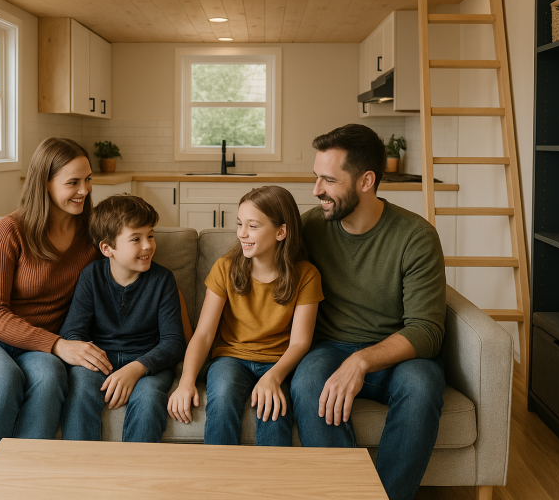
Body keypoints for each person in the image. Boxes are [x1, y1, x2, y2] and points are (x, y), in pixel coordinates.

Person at [0, 137, 108, 488]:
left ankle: (25, 490)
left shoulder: (92, 237)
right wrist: (60, 345)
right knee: (2, 380)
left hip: (36, 349)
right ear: (45, 183)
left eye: (88, 180)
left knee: (50, 379)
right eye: (72, 182)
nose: (84, 190)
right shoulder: (10, 229)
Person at [290, 124, 447, 500]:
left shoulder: (416, 236)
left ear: (366, 181)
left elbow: (427, 329)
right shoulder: (310, 227)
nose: (316, 191)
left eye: (328, 180)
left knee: (423, 386)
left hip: (396, 354)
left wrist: (361, 361)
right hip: (328, 347)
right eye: (316, 178)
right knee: (308, 384)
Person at [168, 185, 323, 446]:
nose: (242, 233)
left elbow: (300, 342)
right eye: (240, 224)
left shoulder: (306, 275)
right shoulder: (225, 267)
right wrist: (186, 381)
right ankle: (220, 482)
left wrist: (273, 377)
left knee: (275, 412)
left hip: (278, 361)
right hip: (231, 358)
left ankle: (267, 484)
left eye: (253, 226)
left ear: (281, 231)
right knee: (224, 395)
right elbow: (204, 334)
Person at [60, 195, 186, 442]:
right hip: (99, 361)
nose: (148, 245)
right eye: (135, 239)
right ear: (108, 248)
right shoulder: (91, 276)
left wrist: (136, 369)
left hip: (147, 363)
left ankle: (136, 476)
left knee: (149, 400)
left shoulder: (163, 280)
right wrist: (89, 356)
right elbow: (72, 332)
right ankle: (80, 471)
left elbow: (173, 342)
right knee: (80, 390)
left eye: (150, 235)